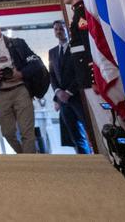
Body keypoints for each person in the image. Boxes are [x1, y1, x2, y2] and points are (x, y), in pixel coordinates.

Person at [0, 15, 38, 154]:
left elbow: (35, 64)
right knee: (7, 133)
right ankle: (23, 157)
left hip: (20, 90)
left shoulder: (18, 43)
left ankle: (31, 163)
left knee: (27, 132)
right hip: (0, 94)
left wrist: (21, 73)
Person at [49, 19, 92, 153]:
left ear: (66, 30)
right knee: (74, 136)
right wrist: (57, 93)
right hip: (63, 101)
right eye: (56, 29)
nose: (58, 31)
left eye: (61, 28)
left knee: (89, 130)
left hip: (78, 96)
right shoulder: (52, 52)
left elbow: (81, 71)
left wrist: (68, 92)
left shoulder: (76, 47)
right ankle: (85, 159)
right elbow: (52, 75)